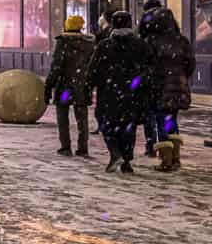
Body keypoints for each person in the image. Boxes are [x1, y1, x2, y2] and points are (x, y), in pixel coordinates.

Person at [86, 10, 154, 174]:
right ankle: (126, 160)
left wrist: (90, 86)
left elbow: (93, 70)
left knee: (106, 124)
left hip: (109, 93)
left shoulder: (105, 46)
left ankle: (115, 153)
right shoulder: (140, 45)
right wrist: (139, 83)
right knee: (128, 127)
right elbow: (150, 68)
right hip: (132, 94)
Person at [149, 8, 193, 172]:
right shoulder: (182, 41)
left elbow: (149, 66)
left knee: (162, 121)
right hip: (178, 87)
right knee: (172, 120)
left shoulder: (152, 41)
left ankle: (166, 160)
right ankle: (175, 158)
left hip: (160, 87)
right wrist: (181, 77)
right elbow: (190, 64)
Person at [43, 16, 94, 157]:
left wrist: (48, 86)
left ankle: (65, 147)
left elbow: (56, 67)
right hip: (82, 86)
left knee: (62, 116)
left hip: (65, 87)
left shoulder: (63, 43)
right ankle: (83, 148)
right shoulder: (89, 43)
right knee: (82, 118)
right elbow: (93, 66)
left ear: (67, 26)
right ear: (80, 27)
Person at [137, 0, 164, 155]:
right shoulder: (175, 39)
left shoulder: (145, 41)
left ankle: (151, 146)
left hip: (149, 82)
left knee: (150, 115)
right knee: (166, 117)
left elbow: (139, 64)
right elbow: (188, 63)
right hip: (167, 82)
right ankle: (169, 151)